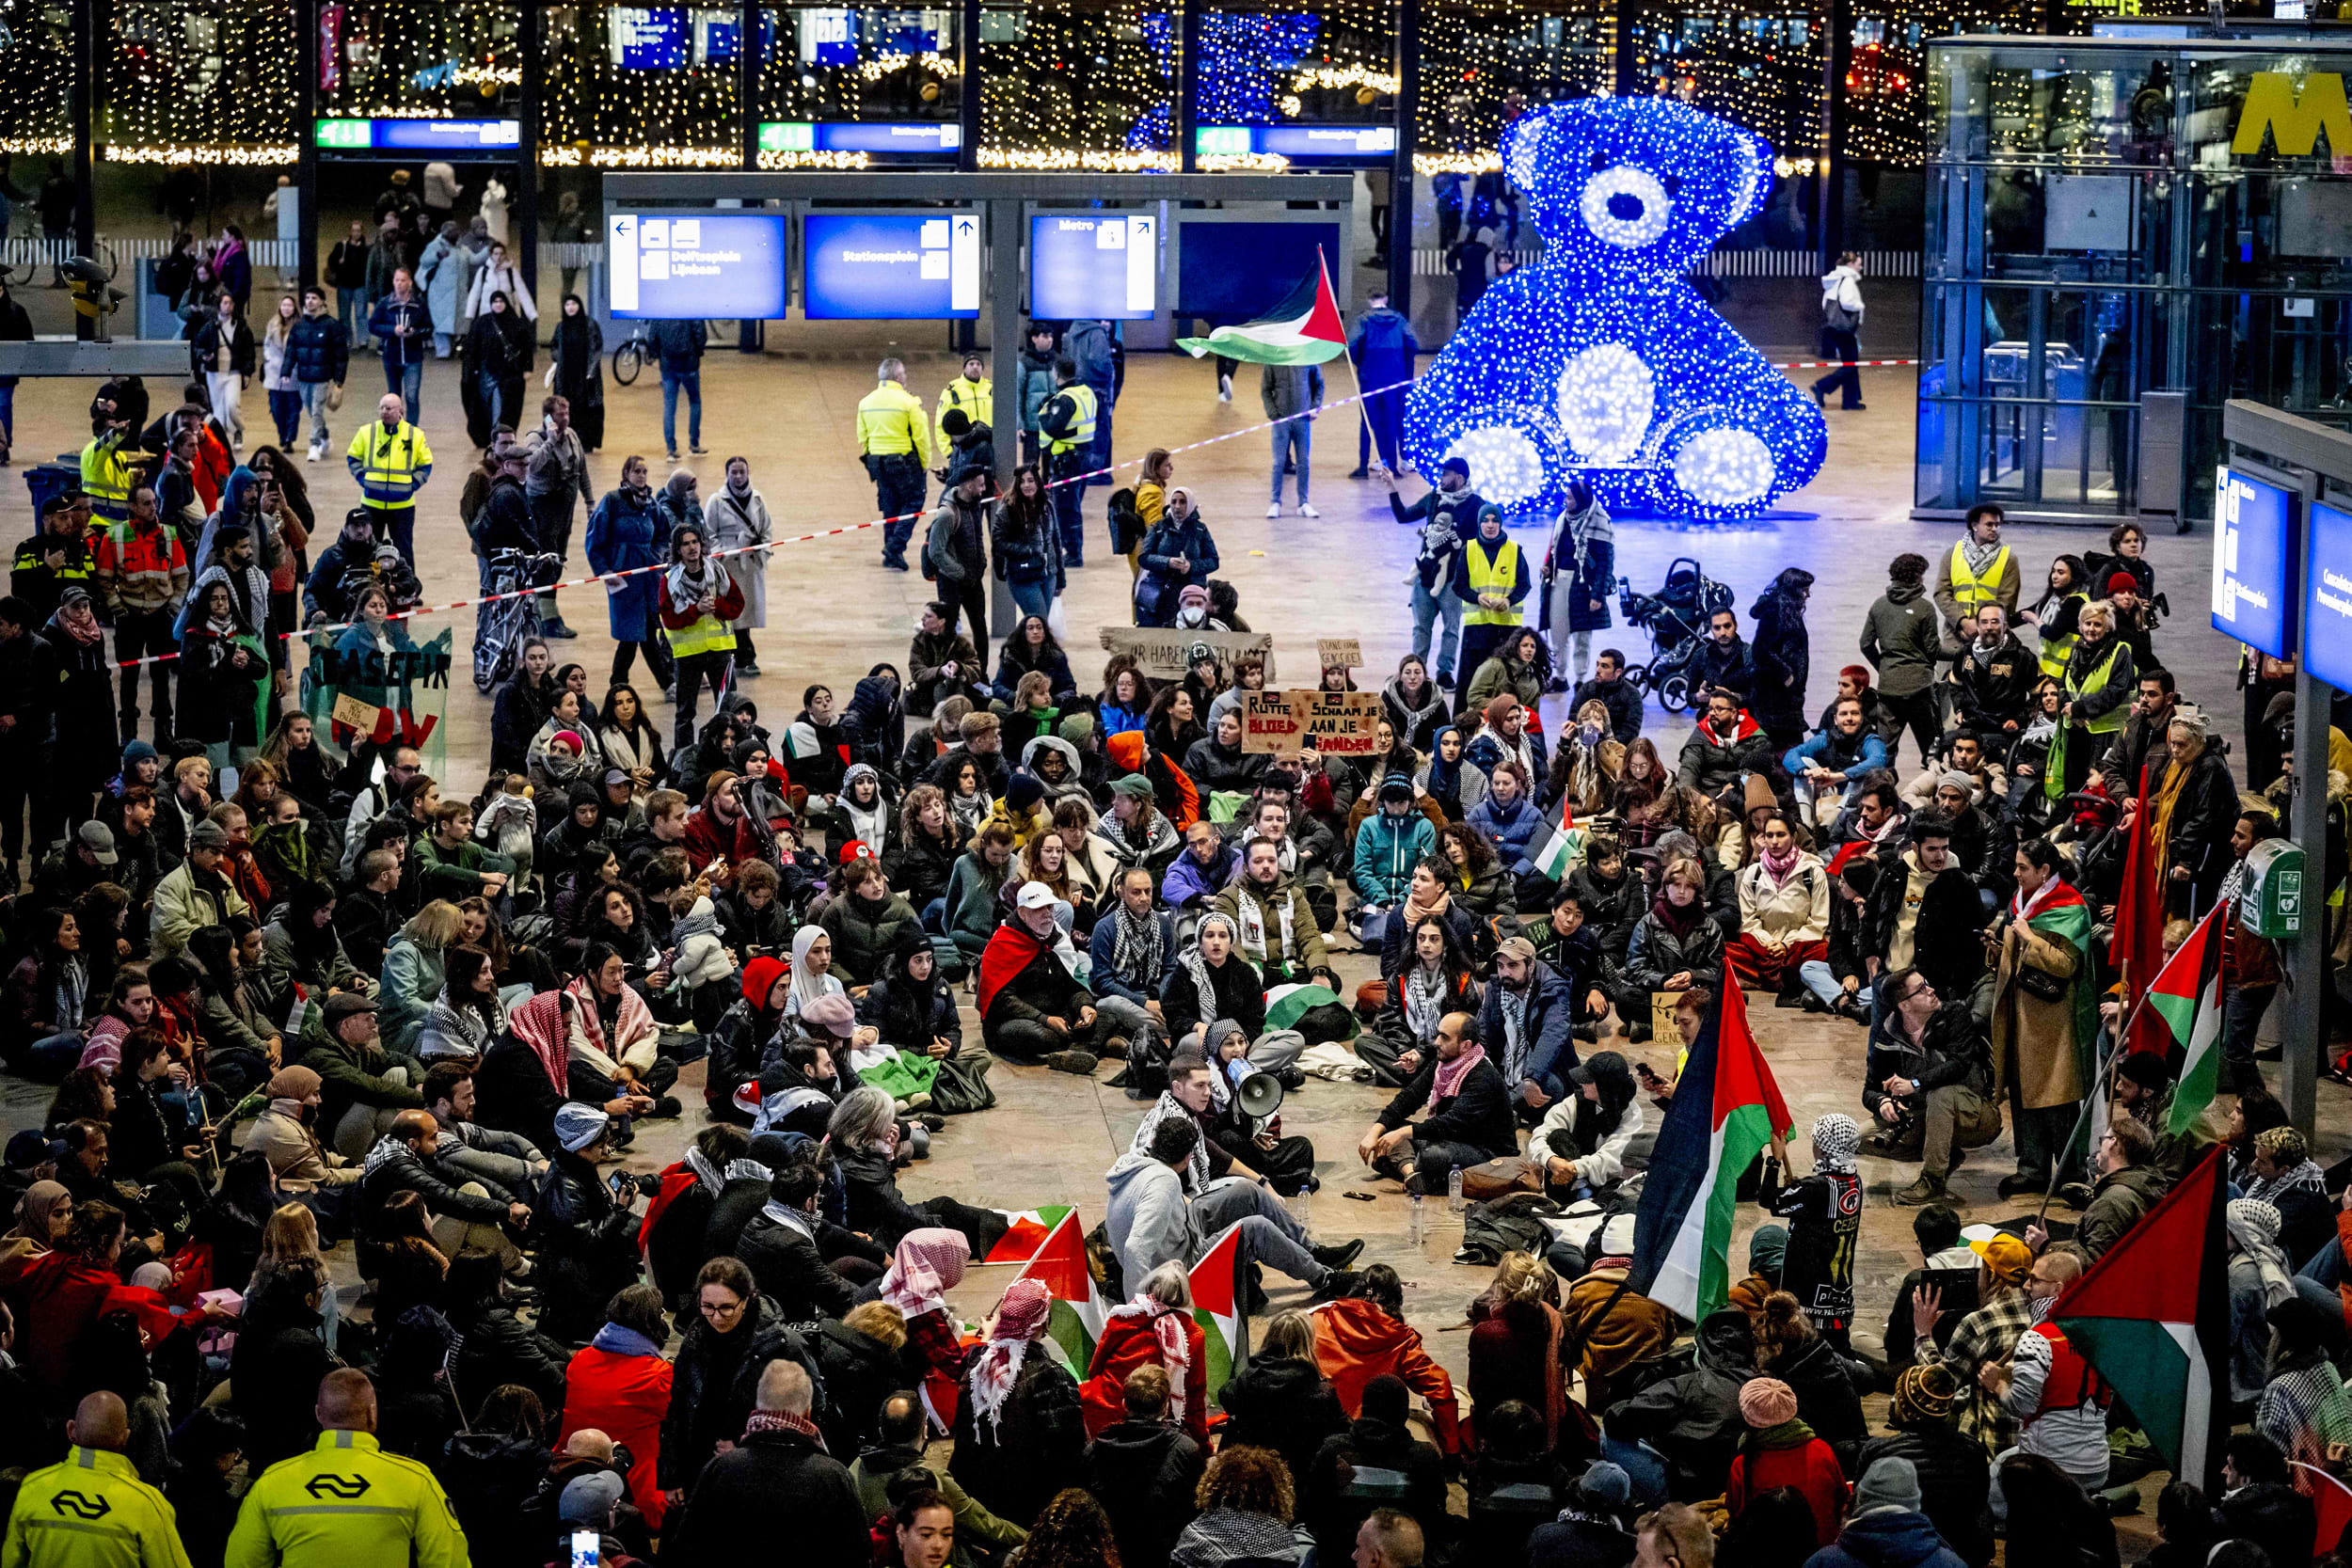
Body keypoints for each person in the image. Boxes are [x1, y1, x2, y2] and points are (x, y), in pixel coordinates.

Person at [224, 1368, 469, 1568]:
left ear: (319, 1414)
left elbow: (241, 1562)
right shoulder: (417, 1480)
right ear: (373, 1415)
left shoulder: (271, 1483)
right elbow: (450, 1561)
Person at [662, 1359, 868, 1568]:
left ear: (759, 1406)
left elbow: (687, 1546)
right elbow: (857, 1553)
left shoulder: (721, 1468)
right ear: (807, 1412)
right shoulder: (834, 1475)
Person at [7, 1390, 194, 1568]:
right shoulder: (147, 1504)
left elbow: (10, 1561)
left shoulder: (33, 1487)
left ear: (71, 1430)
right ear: (125, 1437)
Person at [586, 456, 674, 693]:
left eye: (645, 471)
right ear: (626, 474)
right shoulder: (612, 502)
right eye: (637, 471)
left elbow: (664, 533)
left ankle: (662, 683)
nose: (642, 475)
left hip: (648, 579)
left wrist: (656, 554)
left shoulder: (651, 504)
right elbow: (594, 539)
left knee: (646, 632)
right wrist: (605, 570)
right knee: (630, 634)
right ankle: (621, 685)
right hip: (622, 578)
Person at [1860, 554, 1944, 766]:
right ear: (1917, 577)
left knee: (1884, 752)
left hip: (1889, 688)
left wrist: (1884, 667)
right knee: (1931, 749)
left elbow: (1865, 644)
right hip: (1920, 688)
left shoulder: (1878, 605)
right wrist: (1962, 652)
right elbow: (1933, 650)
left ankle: (1880, 793)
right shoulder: (1924, 608)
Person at [1451, 505, 1528, 714]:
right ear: (1479, 523)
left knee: (1507, 680)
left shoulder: (1514, 550)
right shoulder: (1469, 549)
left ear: (1500, 523)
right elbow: (1458, 586)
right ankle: (1462, 725)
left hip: (1507, 630)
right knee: (1470, 680)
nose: (1490, 525)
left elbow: (1524, 585)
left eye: (1495, 520)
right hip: (1477, 628)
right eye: (1486, 520)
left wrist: (1509, 601)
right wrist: (1476, 597)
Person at [859, 358, 933, 572]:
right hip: (904, 462)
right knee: (913, 502)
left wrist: (872, 457)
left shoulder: (866, 402)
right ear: (898, 377)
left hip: (877, 462)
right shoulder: (908, 402)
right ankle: (895, 546)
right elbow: (921, 437)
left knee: (890, 506)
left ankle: (892, 554)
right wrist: (924, 463)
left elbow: (862, 436)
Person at [344, 392, 432, 566]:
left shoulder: (415, 435)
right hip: (372, 503)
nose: (384, 411)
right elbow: (353, 457)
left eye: (389, 408)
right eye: (382, 408)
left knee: (403, 550)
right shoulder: (367, 432)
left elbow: (426, 465)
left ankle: (407, 589)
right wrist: (364, 480)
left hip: (402, 506)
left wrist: (411, 486)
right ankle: (368, 585)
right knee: (367, 549)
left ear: (400, 410)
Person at [1931, 505, 2020, 649]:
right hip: (1955, 633)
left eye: (1997, 525)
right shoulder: (1953, 554)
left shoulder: (2008, 558)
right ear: (1974, 526)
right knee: (1949, 671)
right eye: (1989, 524)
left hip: (1990, 635)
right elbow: (1941, 593)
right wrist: (1963, 623)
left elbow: (2007, 600)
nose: (1994, 529)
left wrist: (1982, 627)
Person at [1037, 358, 1097, 567]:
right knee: (1073, 505)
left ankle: (1072, 553)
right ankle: (1072, 549)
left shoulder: (1065, 399)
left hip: (1068, 460)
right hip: (1084, 456)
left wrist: (1043, 413)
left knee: (1066, 509)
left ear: (1056, 373)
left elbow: (1054, 428)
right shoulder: (1085, 392)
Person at [367, 267, 432, 422]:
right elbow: (373, 325)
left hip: (413, 357)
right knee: (394, 397)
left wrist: (414, 332)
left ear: (409, 283)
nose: (399, 284)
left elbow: (429, 327)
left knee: (411, 395)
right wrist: (392, 330)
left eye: (403, 280)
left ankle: (411, 432)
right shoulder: (385, 304)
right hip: (392, 356)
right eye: (397, 280)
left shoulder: (418, 304)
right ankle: (395, 430)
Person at [1263, 362, 1323, 520]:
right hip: (1281, 421)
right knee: (1278, 463)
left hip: (1302, 421)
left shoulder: (1308, 358)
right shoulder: (1274, 360)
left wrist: (1314, 407)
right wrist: (1274, 414)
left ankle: (1303, 503)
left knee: (1303, 461)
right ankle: (1275, 502)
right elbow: (1266, 389)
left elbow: (1318, 384)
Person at [1810, 252, 1866, 412]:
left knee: (1850, 364)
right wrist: (1860, 306)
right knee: (1850, 365)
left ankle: (1850, 401)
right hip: (1845, 329)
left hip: (1835, 328)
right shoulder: (1847, 280)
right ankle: (1822, 386)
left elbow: (1825, 304)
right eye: (1858, 264)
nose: (1860, 268)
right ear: (1850, 265)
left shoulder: (1834, 280)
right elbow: (1847, 302)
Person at [651, 316, 706, 462]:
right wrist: (698, 352)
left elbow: (652, 337)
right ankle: (694, 444)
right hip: (689, 364)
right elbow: (700, 333)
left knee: (669, 406)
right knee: (695, 401)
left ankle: (671, 449)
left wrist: (659, 356)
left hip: (668, 365)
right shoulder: (691, 308)